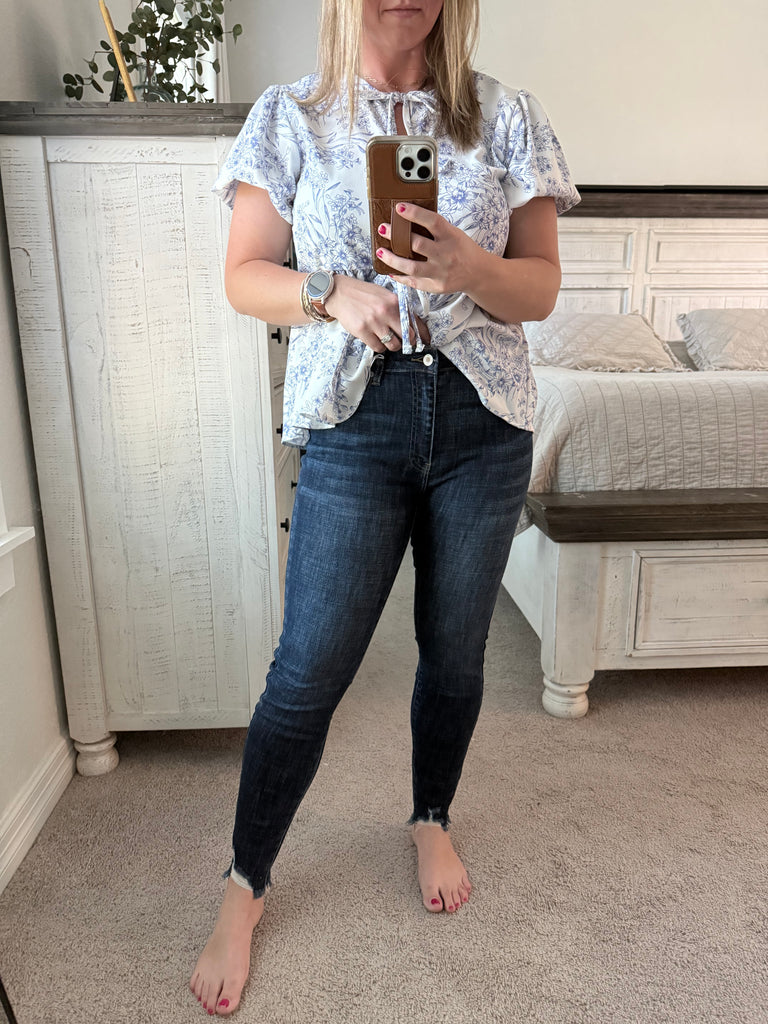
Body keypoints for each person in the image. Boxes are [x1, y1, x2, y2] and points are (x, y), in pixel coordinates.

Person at [190, 0, 580, 1014]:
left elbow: (539, 289)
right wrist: (332, 291)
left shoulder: (503, 116)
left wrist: (469, 266)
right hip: (352, 415)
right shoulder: (290, 115)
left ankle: (430, 814)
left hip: (485, 417)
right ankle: (244, 883)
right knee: (307, 668)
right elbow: (243, 276)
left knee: (455, 653)